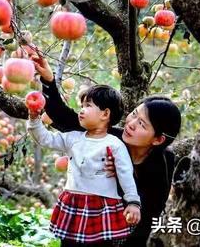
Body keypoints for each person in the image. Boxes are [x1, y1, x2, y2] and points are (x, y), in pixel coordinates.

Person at [24, 45, 182, 246]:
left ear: (158, 139)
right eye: (133, 114)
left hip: (119, 233)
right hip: (84, 222)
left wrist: (121, 173)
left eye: (141, 124)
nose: (131, 124)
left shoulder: (163, 162)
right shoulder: (109, 137)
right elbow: (65, 118)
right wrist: (48, 80)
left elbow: (150, 212)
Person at [27, 84, 141, 246]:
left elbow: (125, 174)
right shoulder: (73, 138)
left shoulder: (114, 144)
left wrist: (133, 202)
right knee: (68, 243)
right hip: (74, 204)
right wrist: (34, 118)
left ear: (105, 114)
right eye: (81, 106)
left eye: (88, 106)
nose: (81, 110)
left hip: (101, 207)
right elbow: (45, 139)